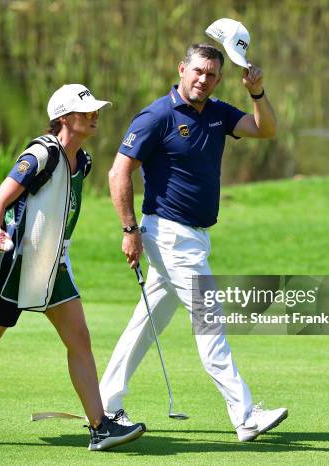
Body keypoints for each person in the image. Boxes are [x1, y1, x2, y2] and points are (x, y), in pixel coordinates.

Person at [0, 84, 146, 451]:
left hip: (53, 266)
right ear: (63, 117)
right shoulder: (41, 153)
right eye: (84, 110)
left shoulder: (82, 160)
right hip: (17, 265)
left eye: (94, 110)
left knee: (80, 340)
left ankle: (100, 426)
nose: (94, 115)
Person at [99, 44, 287, 442]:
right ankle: (245, 415)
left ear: (219, 79)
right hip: (168, 234)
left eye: (212, 74)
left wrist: (257, 93)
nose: (204, 79)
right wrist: (129, 230)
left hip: (194, 238)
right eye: (198, 71)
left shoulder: (219, 113)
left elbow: (265, 129)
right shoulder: (157, 116)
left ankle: (105, 403)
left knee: (145, 324)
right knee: (211, 323)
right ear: (182, 69)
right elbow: (119, 172)